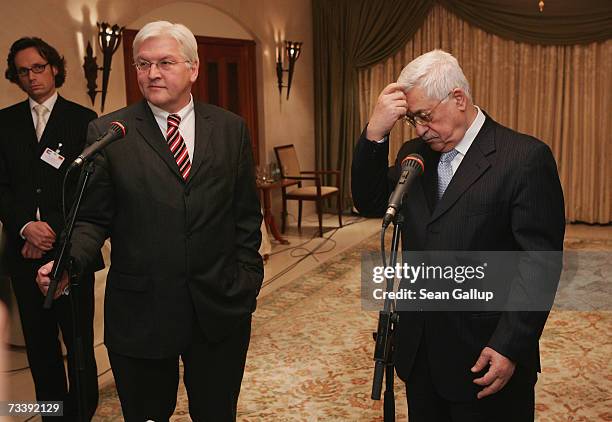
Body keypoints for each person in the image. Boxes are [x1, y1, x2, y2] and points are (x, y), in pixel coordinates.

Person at [36, 21, 263, 422]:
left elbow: (244, 215)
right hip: (142, 311)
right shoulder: (110, 131)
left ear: (193, 69)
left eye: (164, 62)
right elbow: (91, 218)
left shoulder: (230, 128)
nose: (152, 73)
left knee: (216, 413)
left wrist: (247, 279)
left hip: (219, 306)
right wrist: (70, 261)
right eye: (142, 64)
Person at [352, 50, 565, 421]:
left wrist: (509, 346)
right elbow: (369, 200)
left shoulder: (523, 158)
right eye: (412, 119)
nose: (419, 129)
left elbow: (540, 264)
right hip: (420, 353)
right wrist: (375, 132)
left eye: (425, 116)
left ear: (459, 99)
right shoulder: (413, 154)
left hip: (485, 357)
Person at [0, 37, 101, 420]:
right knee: (41, 349)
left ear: (54, 68)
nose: (32, 77)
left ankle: (82, 413)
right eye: (23, 71)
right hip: (24, 255)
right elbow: (2, 187)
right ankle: (52, 416)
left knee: (78, 346)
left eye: (39, 67)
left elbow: (88, 189)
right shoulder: (3, 122)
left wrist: (50, 235)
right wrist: (26, 228)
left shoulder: (83, 119)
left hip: (73, 252)